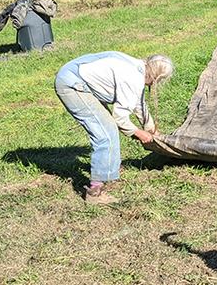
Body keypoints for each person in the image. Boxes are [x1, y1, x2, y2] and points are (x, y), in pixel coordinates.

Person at [55, 52, 174, 204]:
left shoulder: (139, 68)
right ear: (156, 77)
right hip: (72, 84)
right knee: (106, 133)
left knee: (108, 128)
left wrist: (151, 129)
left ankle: (110, 168)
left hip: (76, 76)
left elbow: (138, 103)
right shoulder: (132, 78)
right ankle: (95, 193)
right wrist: (139, 134)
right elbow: (120, 118)